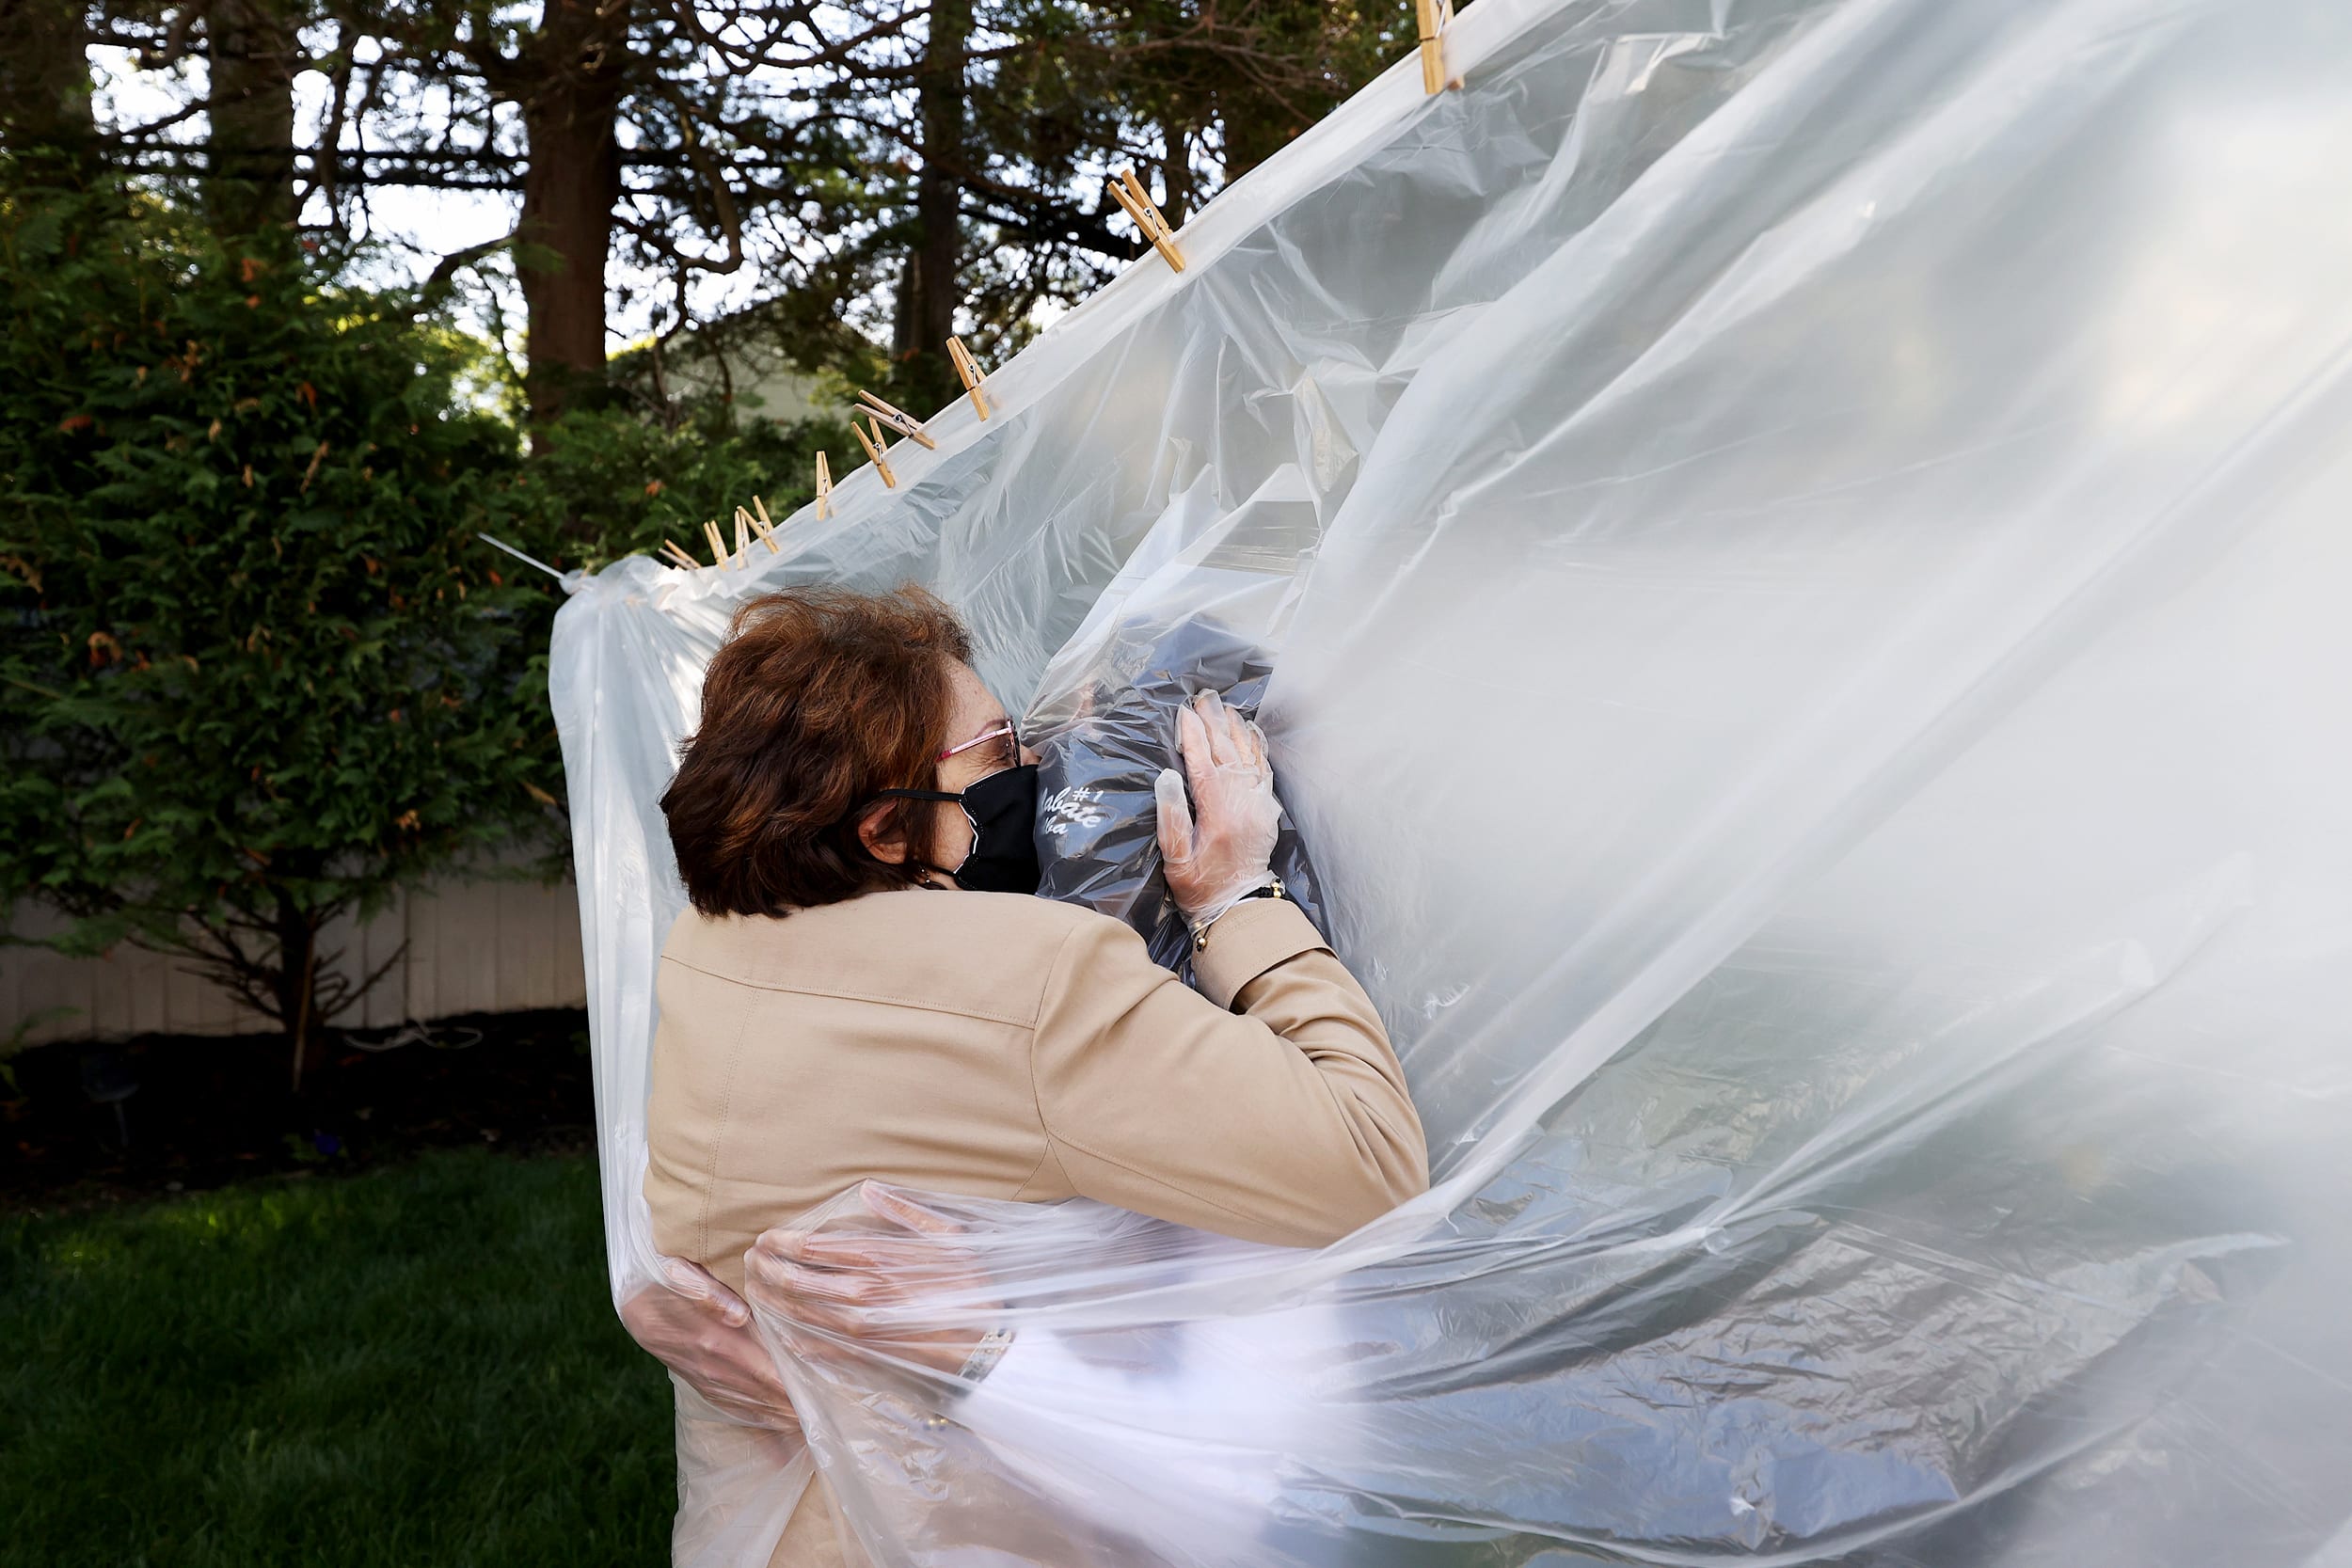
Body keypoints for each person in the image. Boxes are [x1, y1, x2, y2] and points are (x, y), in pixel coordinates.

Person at [639, 584, 1430, 1567]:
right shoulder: (1031, 969)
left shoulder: (703, 943)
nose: (1038, 766)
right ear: (887, 829)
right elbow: (1370, 1162)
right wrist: (1239, 898)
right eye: (1002, 745)